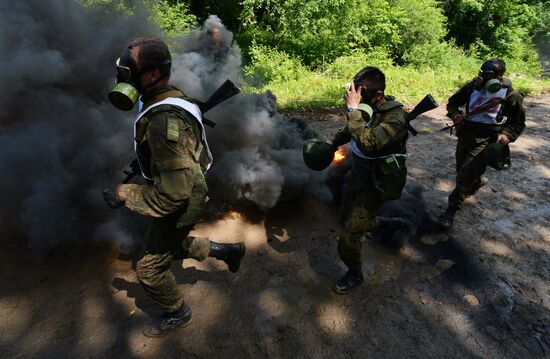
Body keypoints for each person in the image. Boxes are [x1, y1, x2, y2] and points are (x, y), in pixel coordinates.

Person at [102, 37, 246, 337]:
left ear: (152, 75)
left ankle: (178, 313)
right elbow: (154, 148)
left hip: (182, 195)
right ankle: (227, 251)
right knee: (168, 243)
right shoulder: (165, 98)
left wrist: (123, 193)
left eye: (127, 72)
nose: (121, 78)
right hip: (183, 185)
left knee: (149, 269)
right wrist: (135, 167)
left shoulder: (164, 119)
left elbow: (174, 196)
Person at [330, 67, 411, 294]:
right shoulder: (368, 108)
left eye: (362, 97)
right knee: (345, 217)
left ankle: (355, 273)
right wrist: (333, 143)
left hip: (378, 183)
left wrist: (352, 109)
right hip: (359, 175)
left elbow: (369, 143)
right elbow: (352, 129)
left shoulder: (395, 119)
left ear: (378, 95)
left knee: (348, 234)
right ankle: (389, 223)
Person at [439, 58, 526, 228]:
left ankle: (451, 209)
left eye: (487, 75)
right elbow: (453, 102)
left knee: (464, 175)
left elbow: (517, 123)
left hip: (487, 141)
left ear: (499, 77)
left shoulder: (510, 96)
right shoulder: (472, 87)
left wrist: (505, 136)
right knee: (462, 170)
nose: (482, 78)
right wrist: (455, 114)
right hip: (465, 135)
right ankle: (477, 181)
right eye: (481, 74)